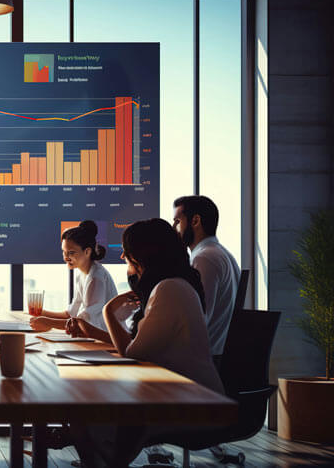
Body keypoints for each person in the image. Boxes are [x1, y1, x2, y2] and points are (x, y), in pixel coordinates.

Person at [71, 218, 224, 467]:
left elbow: (132, 352)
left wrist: (110, 311)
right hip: (178, 393)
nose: (122, 256)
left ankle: (104, 460)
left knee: (85, 414)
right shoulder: (172, 286)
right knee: (89, 412)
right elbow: (140, 345)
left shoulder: (169, 290)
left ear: (143, 254)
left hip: (193, 402)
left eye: (127, 251)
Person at [28, 220, 130, 342]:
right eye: (64, 252)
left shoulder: (95, 277)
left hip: (108, 341)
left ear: (87, 251)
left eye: (71, 253)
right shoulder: (82, 275)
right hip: (94, 338)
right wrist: (41, 313)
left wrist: (48, 322)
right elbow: (71, 314)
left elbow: (84, 321)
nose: (66, 258)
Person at [173, 195, 241, 361]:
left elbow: (199, 320)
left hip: (202, 361)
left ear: (195, 221)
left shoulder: (204, 259)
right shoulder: (224, 255)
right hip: (217, 356)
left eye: (177, 222)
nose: (174, 228)